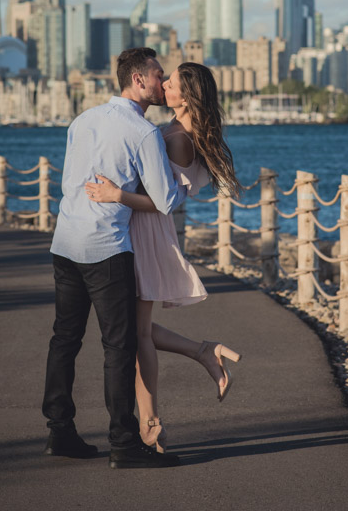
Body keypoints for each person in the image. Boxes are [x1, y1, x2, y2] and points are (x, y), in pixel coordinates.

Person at [85, 62, 242, 452]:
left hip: (144, 231)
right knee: (129, 327)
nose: (163, 85)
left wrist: (115, 195)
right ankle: (203, 351)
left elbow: (161, 203)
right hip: (140, 229)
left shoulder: (176, 138)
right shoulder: (174, 132)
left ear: (186, 97)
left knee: (136, 335)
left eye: (170, 82)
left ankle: (151, 424)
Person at [42, 47, 185, 469]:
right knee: (118, 347)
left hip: (66, 241)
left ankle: (60, 432)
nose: (163, 82)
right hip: (105, 247)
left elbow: (70, 181)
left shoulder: (82, 120)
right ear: (139, 80)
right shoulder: (143, 133)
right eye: (159, 75)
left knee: (64, 340)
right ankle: (124, 443)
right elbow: (166, 201)